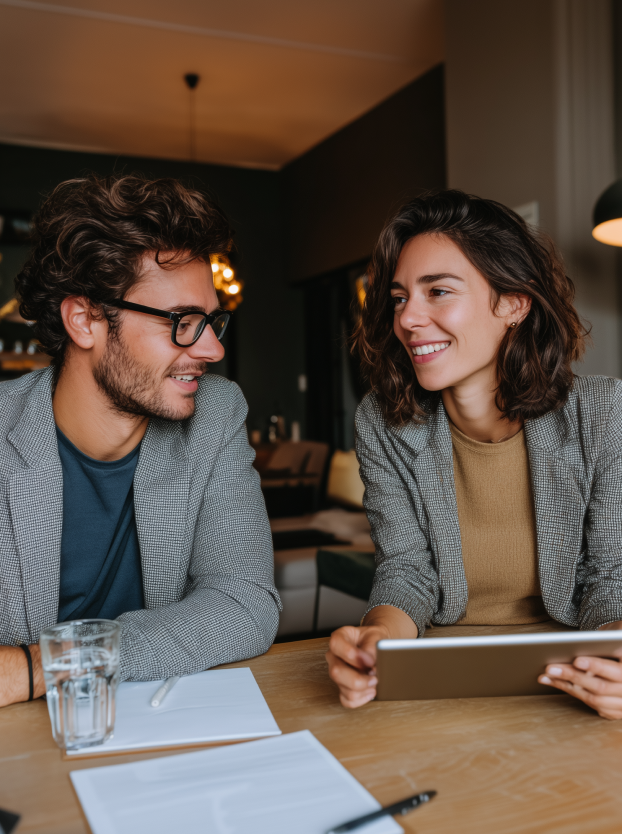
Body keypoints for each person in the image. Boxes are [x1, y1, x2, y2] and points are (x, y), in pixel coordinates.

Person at [327, 190, 622, 719]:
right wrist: (375, 642)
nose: (408, 319)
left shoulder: (603, 414)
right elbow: (406, 572)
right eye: (399, 297)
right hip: (441, 682)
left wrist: (619, 655)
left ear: (513, 303)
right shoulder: (384, 421)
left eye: (437, 291)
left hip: (571, 682)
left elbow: (612, 579)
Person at [0, 173, 280, 707]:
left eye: (211, 323)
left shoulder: (214, 416)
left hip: (156, 728)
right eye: (181, 322)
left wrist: (45, 665)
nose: (212, 352)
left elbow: (244, 603)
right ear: (84, 319)